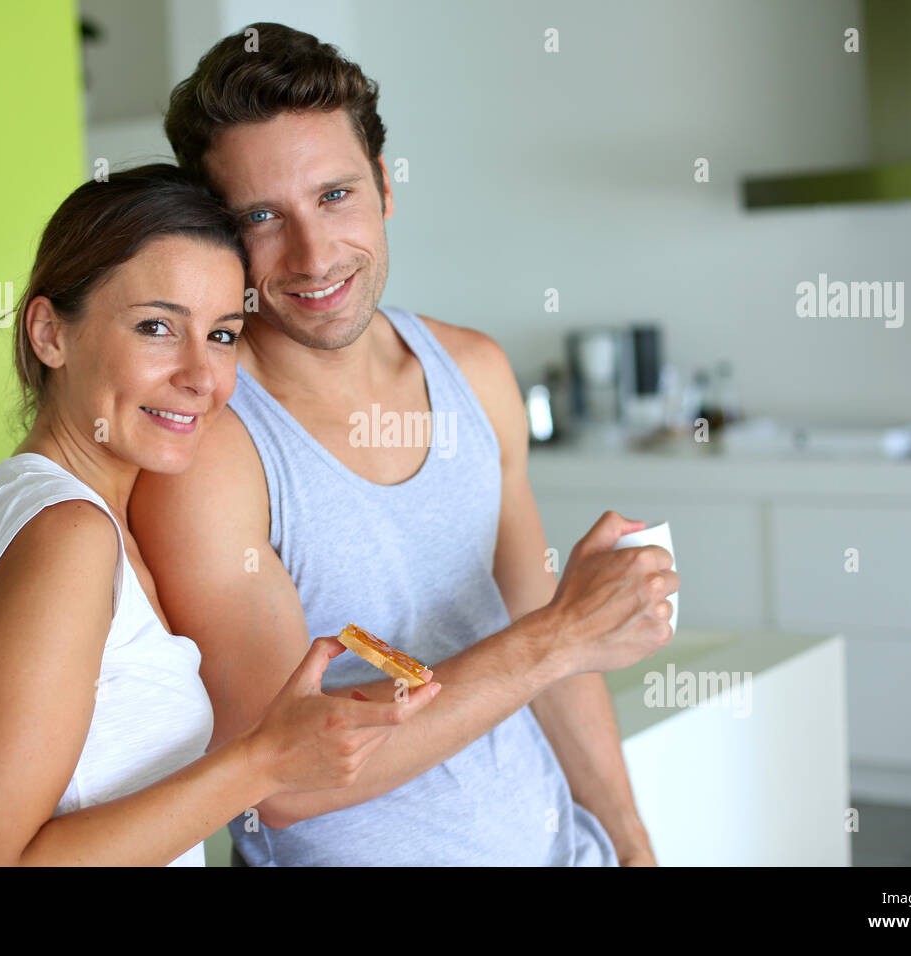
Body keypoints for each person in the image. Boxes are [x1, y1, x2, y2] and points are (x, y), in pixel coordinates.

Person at [128, 24, 679, 866]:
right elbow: (284, 783)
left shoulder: (477, 373)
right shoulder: (211, 456)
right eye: (263, 216)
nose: (314, 255)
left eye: (336, 196)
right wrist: (560, 636)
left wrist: (634, 848)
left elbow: (553, 653)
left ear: (385, 186)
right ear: (219, 238)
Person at [0, 165, 439, 866]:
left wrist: (302, 738)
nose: (201, 376)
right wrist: (263, 762)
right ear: (50, 334)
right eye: (157, 327)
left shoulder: (54, 507)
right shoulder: (67, 536)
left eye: (223, 335)